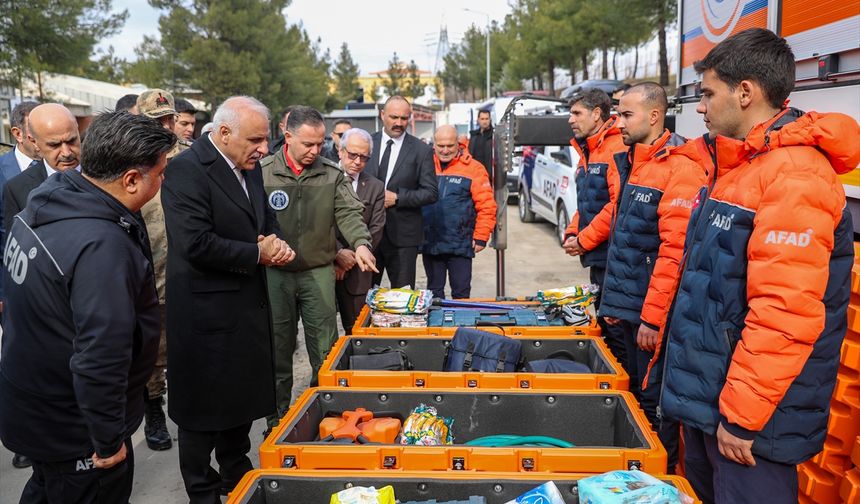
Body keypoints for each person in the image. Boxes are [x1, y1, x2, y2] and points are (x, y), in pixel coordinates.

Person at [659, 28, 859, 503]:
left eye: (708, 94)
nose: (700, 107)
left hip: (752, 426)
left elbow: (783, 312)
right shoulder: (742, 169)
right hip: (718, 405)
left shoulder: (795, 175)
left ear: (745, 92)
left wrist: (742, 417)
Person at [0, 111, 175, 503]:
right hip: (76, 429)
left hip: (36, 407)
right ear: (131, 179)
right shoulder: (101, 248)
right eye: (160, 174)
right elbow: (99, 357)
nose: (164, 181)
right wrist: (108, 440)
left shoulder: (52, 198)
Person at [162, 96, 294, 503]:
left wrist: (271, 239)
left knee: (240, 397)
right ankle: (201, 488)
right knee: (203, 411)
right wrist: (258, 253)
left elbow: (259, 220)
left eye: (266, 140)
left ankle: (235, 467)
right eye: (255, 139)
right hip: (204, 314)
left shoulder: (248, 166)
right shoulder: (186, 170)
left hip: (244, 307)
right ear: (222, 133)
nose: (264, 149)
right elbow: (195, 243)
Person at [597, 82, 707, 473]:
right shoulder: (633, 161)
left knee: (654, 405)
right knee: (638, 399)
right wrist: (614, 304)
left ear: (655, 116)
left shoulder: (680, 167)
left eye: (626, 115)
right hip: (631, 308)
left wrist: (651, 318)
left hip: (651, 317)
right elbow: (625, 240)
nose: (618, 122)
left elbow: (673, 251)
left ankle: (658, 483)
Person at [260, 106, 376, 427]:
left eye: (321, 144)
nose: (316, 151)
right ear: (288, 137)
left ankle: (325, 416)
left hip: (317, 273)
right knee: (277, 348)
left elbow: (350, 214)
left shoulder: (331, 174)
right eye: (308, 144)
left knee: (325, 349)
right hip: (274, 275)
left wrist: (360, 244)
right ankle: (278, 419)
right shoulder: (264, 171)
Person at [135, 88, 190, 452]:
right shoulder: (129, 160)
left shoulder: (188, 157)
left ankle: (190, 413)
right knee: (153, 351)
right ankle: (154, 407)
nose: (166, 125)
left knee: (189, 348)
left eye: (169, 118)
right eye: (157, 120)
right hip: (149, 272)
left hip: (187, 270)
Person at [561, 88, 628, 370]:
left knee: (617, 330)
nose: (570, 120)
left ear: (598, 114)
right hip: (598, 256)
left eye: (577, 113)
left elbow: (617, 206)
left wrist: (585, 240)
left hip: (614, 258)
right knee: (603, 321)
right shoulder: (590, 150)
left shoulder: (615, 149)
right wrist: (573, 232)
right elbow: (587, 203)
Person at [365, 96, 438, 289]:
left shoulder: (421, 150)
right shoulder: (367, 144)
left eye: (404, 118)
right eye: (394, 117)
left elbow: (431, 192)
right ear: (382, 115)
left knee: (403, 297)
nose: (399, 123)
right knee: (364, 298)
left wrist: (397, 198)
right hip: (367, 235)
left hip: (403, 239)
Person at [421, 125, 496, 299]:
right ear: (434, 144)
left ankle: (460, 326)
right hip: (431, 243)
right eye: (441, 146)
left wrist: (481, 236)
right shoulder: (425, 166)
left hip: (461, 243)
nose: (445, 150)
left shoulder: (474, 168)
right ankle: (437, 327)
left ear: (458, 144)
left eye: (450, 146)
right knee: (433, 294)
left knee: (461, 295)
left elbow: (487, 205)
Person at [334, 128, 386, 334]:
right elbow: (318, 223)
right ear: (340, 150)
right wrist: (337, 254)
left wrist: (351, 260)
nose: (357, 161)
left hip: (357, 270)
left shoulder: (375, 186)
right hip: (325, 263)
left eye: (364, 157)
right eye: (353, 155)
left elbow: (376, 228)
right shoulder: (324, 178)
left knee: (356, 330)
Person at [4, 103, 81, 233]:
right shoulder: (17, 189)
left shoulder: (107, 172)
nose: (66, 153)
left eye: (71, 141)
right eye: (54, 145)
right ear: (34, 142)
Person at [468, 109, 494, 179]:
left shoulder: (494, 136)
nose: (484, 121)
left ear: (490, 119)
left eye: (486, 119)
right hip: (475, 174)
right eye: (482, 119)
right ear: (478, 120)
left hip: (489, 176)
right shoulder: (474, 136)